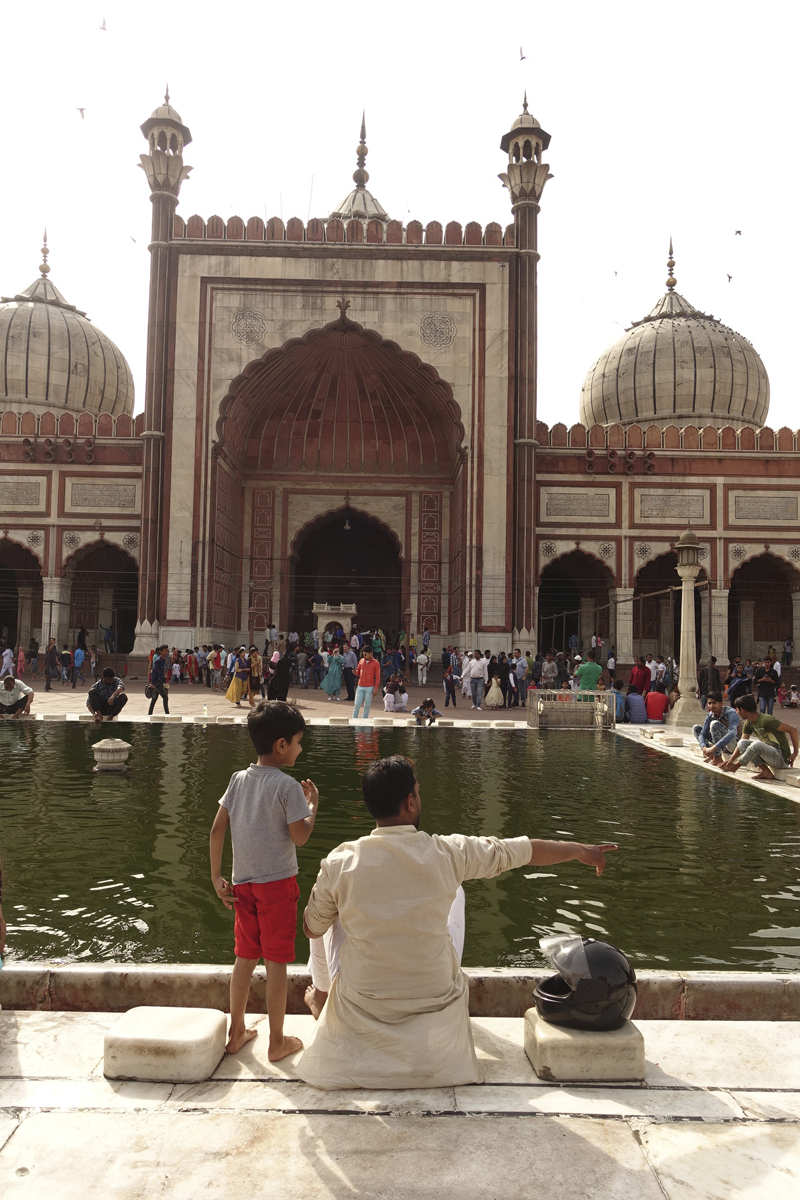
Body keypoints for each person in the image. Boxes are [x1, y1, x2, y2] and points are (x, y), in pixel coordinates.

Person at [297, 754, 617, 1090]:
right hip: (432, 994)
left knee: (323, 912)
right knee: (456, 893)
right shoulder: (448, 853)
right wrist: (580, 849)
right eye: (418, 792)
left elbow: (310, 929)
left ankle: (321, 996)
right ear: (410, 801)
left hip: (365, 999)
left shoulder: (340, 861)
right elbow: (523, 851)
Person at [209, 701, 319, 1061]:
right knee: (276, 962)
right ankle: (276, 1041)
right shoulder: (287, 787)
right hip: (277, 887)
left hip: (242, 885)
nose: (301, 749)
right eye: (299, 742)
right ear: (281, 745)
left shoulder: (238, 779)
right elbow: (300, 837)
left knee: (244, 956)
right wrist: (312, 807)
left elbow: (216, 829)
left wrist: (216, 877)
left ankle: (236, 1030)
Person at [721, 694, 799, 781]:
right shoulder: (749, 723)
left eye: (737, 709)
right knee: (742, 743)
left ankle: (736, 767)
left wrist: (795, 753)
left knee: (757, 744)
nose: (736, 712)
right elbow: (741, 745)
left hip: (781, 759)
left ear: (742, 710)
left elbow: (793, 730)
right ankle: (766, 771)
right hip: (769, 756)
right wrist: (730, 761)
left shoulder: (767, 720)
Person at [692, 692, 740, 762]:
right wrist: (703, 747)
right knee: (696, 728)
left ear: (721, 703)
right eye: (709, 703)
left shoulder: (730, 713)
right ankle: (711, 755)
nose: (711, 706)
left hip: (734, 745)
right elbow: (703, 734)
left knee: (714, 724)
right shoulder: (710, 715)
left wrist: (714, 748)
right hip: (721, 745)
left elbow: (732, 733)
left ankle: (717, 757)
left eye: (714, 703)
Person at [353, 646, 381, 720]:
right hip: (360, 686)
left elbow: (377, 677)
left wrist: (375, 688)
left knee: (367, 706)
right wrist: (355, 672)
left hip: (369, 687)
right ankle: (354, 720)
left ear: (370, 653)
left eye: (366, 654)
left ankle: (364, 720)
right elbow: (358, 672)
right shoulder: (361, 661)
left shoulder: (376, 663)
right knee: (357, 705)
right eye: (363, 655)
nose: (364, 656)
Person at [148, 645, 171, 715]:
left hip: (161, 680)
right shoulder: (158, 661)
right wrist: (152, 683)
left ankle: (150, 713)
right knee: (165, 697)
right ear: (160, 652)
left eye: (167, 651)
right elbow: (154, 672)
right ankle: (167, 713)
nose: (166, 652)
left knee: (154, 698)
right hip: (157, 681)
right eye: (165, 651)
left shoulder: (164, 660)